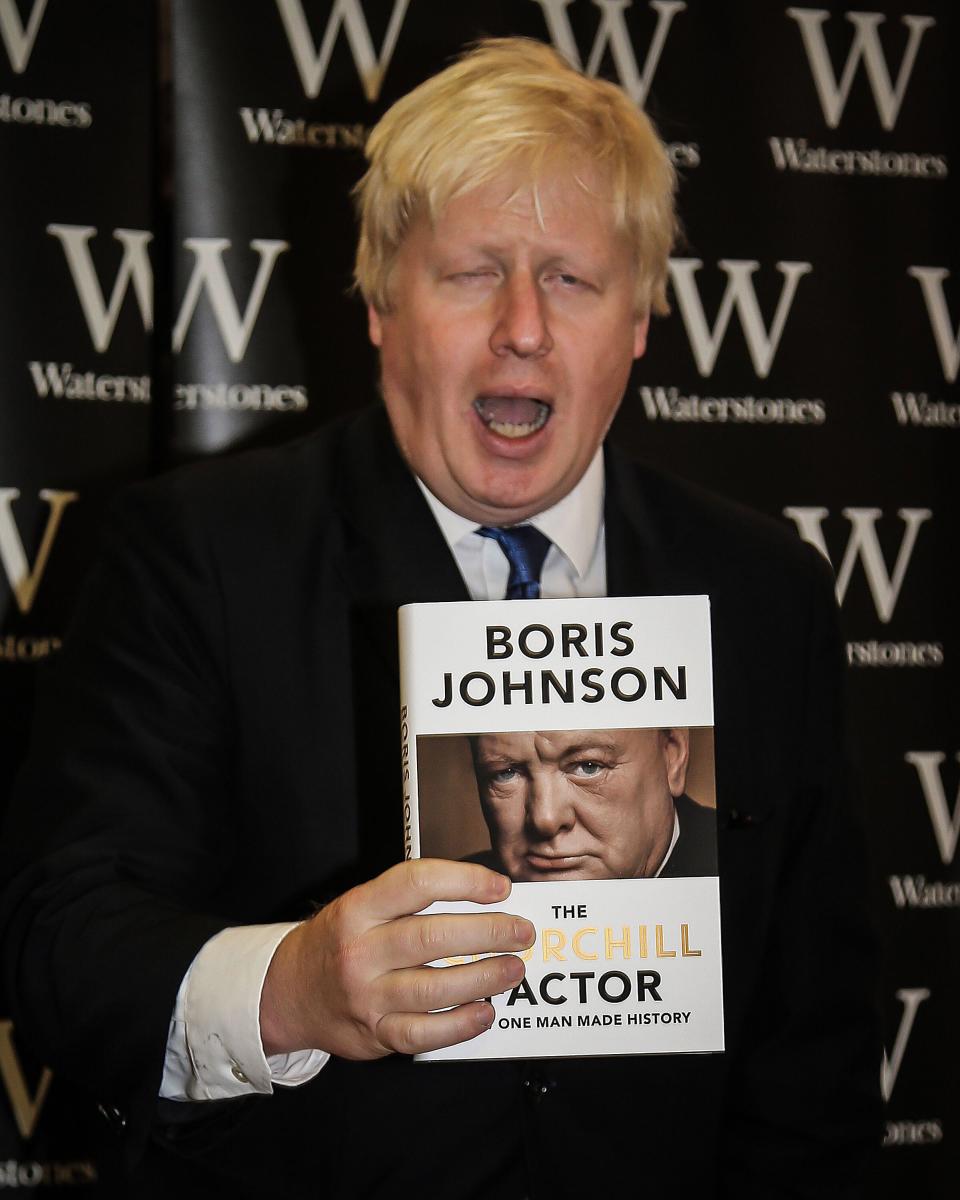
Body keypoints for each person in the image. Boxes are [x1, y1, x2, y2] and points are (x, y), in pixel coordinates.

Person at [0, 37, 880, 1198]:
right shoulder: (201, 553)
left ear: (640, 322)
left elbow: (812, 1056)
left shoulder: (764, 592)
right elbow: (63, 941)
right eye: (473, 271)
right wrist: (293, 989)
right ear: (378, 303)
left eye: (572, 277)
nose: (524, 326)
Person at [470, 727, 718, 880]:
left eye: (589, 767)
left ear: (672, 755)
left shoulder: (750, 878)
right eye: (506, 773)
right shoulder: (452, 907)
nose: (545, 819)